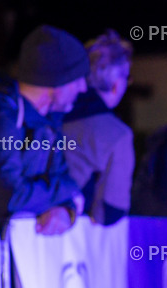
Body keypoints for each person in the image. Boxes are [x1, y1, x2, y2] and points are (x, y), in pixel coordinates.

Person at [0, 24, 88, 235]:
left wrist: (65, 211)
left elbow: (63, 178)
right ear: (57, 80)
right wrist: (68, 191)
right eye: (77, 78)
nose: (83, 88)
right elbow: (10, 196)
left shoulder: (49, 122)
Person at [62, 29, 134, 226]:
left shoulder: (53, 112)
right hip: (71, 233)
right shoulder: (118, 134)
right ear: (117, 85)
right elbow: (111, 212)